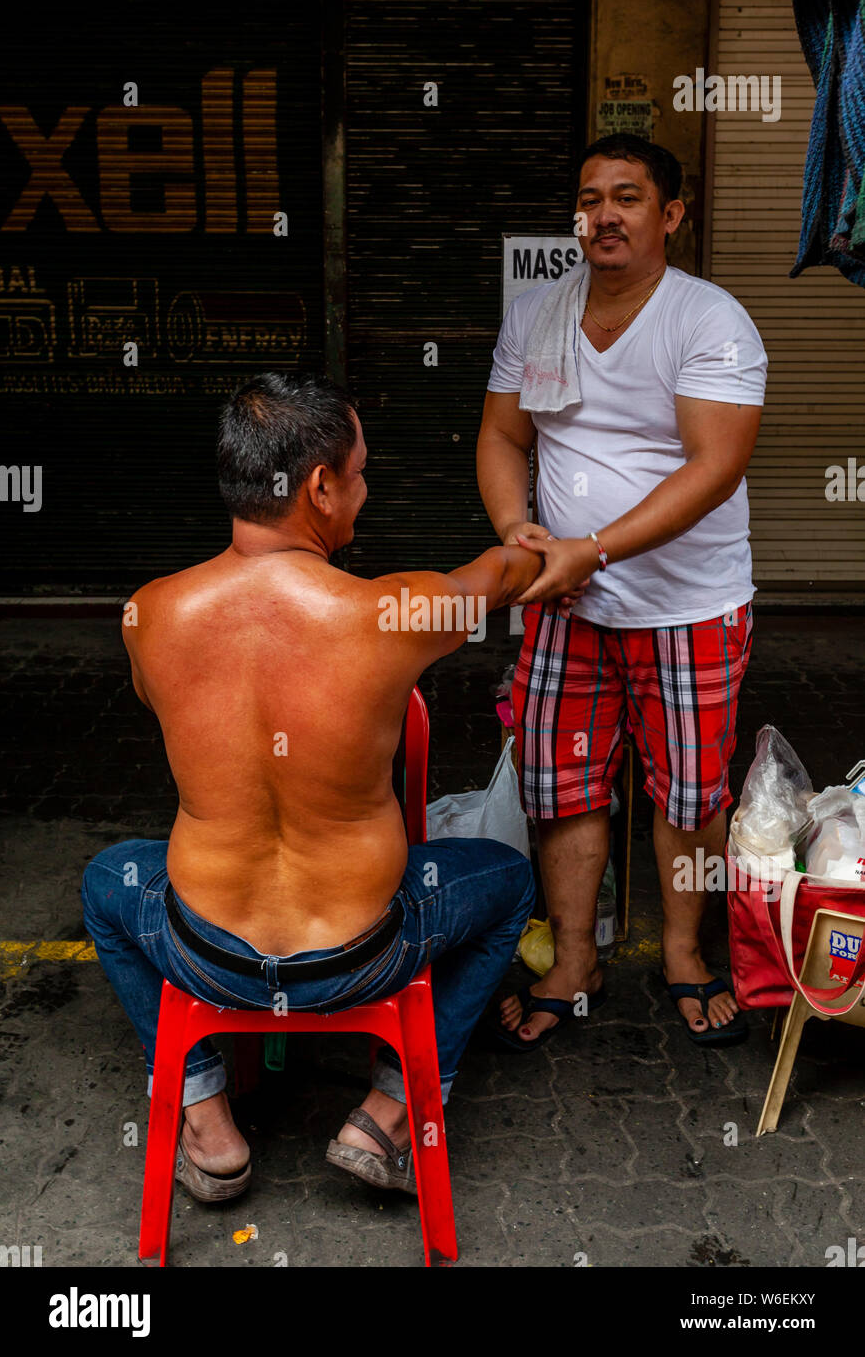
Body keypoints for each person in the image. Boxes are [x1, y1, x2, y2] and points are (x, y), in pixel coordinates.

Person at [82, 373, 541, 1201]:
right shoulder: (391, 617)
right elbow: (498, 577)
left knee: (104, 881)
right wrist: (538, 550)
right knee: (510, 882)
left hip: (206, 955)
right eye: (360, 473)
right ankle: (390, 1112)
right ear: (320, 487)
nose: (366, 490)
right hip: (361, 959)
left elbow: (167, 715)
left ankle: (206, 1116)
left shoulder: (147, 615)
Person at [477, 131, 767, 1050]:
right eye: (591, 198)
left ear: (670, 215)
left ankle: (683, 952)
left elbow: (715, 466)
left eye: (629, 197)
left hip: (688, 608)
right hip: (566, 605)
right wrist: (517, 531)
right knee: (561, 789)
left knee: (689, 796)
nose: (604, 214)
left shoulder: (708, 320)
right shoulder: (537, 313)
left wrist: (591, 548)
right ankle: (575, 957)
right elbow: (501, 437)